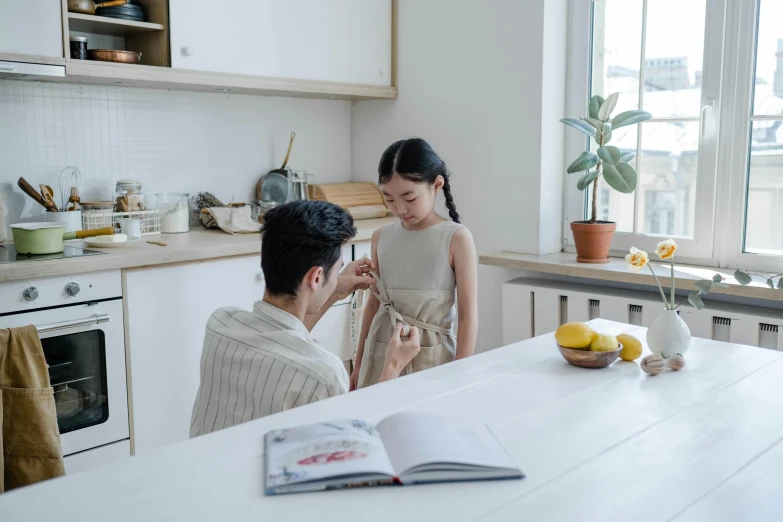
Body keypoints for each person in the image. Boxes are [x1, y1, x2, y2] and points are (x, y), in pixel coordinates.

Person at [190, 200, 421, 437]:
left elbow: (285, 338)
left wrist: (334, 290)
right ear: (316, 277)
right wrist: (392, 367)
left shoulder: (220, 324)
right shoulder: (323, 374)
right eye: (336, 270)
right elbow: (353, 445)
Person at [351, 138, 478, 390]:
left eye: (409, 197)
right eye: (389, 199)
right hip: (381, 352)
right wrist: (358, 364)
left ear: (436, 185)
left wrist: (461, 373)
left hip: (433, 357)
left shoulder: (456, 237)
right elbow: (372, 306)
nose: (399, 208)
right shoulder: (381, 237)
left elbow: (467, 316)